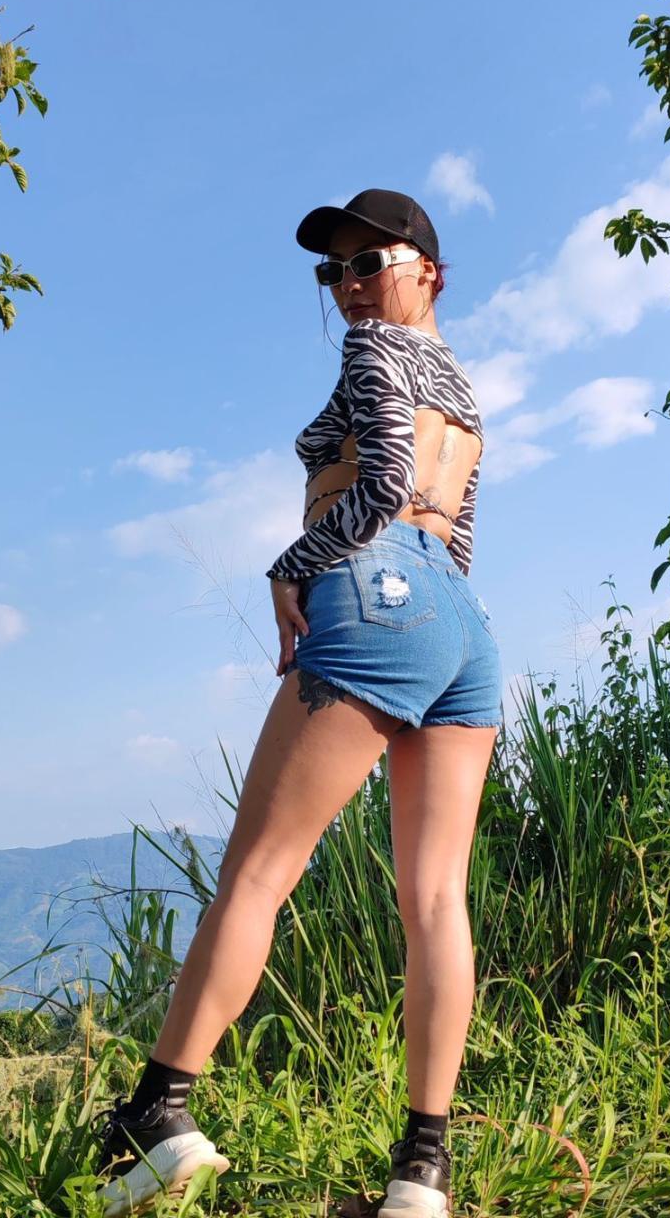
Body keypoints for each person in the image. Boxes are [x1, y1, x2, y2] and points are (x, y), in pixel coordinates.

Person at [93, 189, 502, 1218]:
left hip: (377, 586)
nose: (349, 286)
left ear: (428, 270)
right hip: (462, 627)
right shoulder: (466, 390)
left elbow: (386, 481)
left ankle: (157, 1120)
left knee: (260, 871)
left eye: (371, 262)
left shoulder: (374, 353)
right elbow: (455, 533)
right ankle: (422, 1174)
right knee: (436, 900)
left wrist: (294, 562)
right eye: (334, 271)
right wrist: (423, 616)